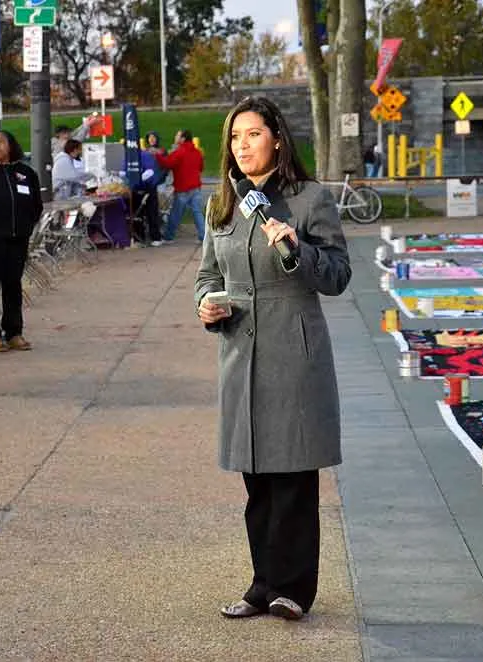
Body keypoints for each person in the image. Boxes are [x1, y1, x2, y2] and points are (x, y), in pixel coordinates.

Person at [194, 95, 351, 622]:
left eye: (253, 134)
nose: (242, 146)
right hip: (241, 356)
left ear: (278, 139)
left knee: (293, 480)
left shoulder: (309, 199)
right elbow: (208, 275)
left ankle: (293, 590)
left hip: (294, 353)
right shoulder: (221, 204)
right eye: (235, 137)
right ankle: (261, 585)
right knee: (257, 481)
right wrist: (206, 303)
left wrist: (298, 249)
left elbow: (337, 275)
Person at [0, 130, 43, 352]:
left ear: (11, 145)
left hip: (18, 239)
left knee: (13, 286)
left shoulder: (25, 173)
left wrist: (26, 225)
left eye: (1, 142)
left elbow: (36, 204)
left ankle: (14, 332)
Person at [156, 129, 206, 242]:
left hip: (183, 188)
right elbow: (201, 167)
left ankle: (168, 236)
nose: (175, 137)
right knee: (197, 213)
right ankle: (204, 236)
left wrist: (157, 156)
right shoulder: (197, 152)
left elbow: (167, 163)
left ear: (183, 139)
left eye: (177, 136)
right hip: (196, 187)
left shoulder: (179, 152)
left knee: (175, 214)